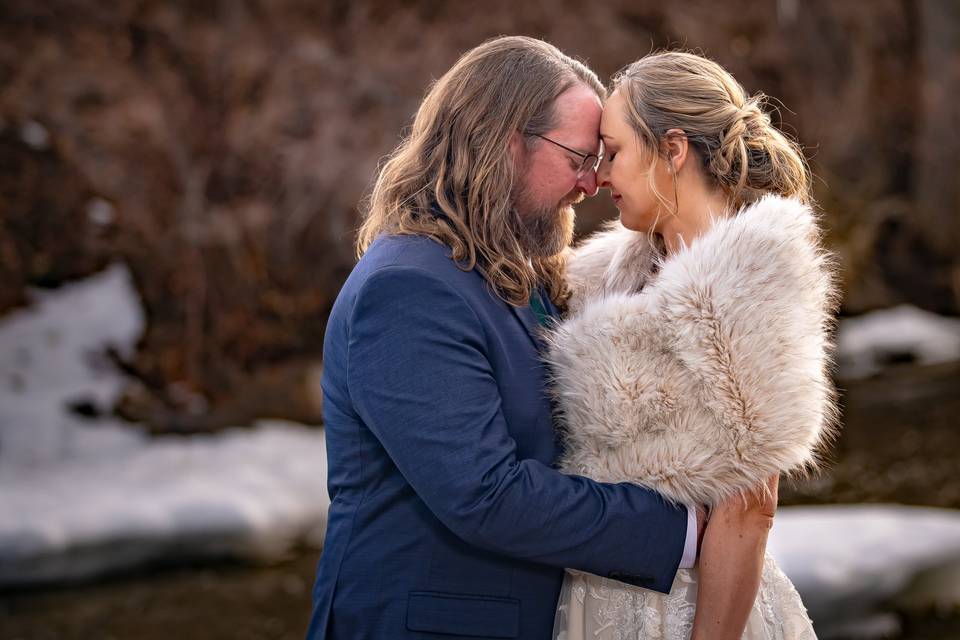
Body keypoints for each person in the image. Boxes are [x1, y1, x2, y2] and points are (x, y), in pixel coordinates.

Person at [304, 36, 743, 639]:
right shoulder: (407, 288)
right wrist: (687, 530)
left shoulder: (505, 271)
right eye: (579, 157)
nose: (592, 183)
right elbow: (485, 494)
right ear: (505, 143)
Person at [547, 51, 837, 639]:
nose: (601, 176)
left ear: (672, 150)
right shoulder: (604, 275)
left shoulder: (746, 277)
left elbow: (750, 508)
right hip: (592, 594)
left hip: (687, 612)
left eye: (616, 150)